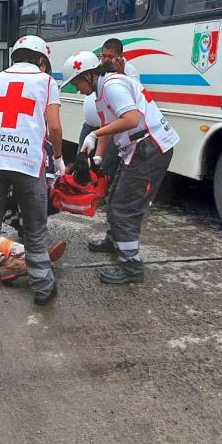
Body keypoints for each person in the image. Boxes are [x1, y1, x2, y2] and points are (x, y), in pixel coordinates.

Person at [61, 50, 180, 285]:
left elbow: (131, 119)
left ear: (89, 75)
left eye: (76, 83)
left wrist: (94, 134)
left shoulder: (113, 86)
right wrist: (98, 159)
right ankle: (113, 241)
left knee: (125, 207)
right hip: (136, 150)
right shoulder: (102, 91)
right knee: (115, 196)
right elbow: (110, 125)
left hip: (149, 149)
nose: (77, 89)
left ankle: (130, 265)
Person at [0, 35, 66, 306]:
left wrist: (2, 137)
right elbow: (55, 127)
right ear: (39, 60)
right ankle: (43, 289)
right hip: (28, 166)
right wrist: (57, 158)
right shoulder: (46, 81)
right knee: (35, 228)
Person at [79, 38, 141, 171]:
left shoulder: (124, 74)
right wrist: (98, 156)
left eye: (111, 57)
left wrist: (121, 73)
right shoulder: (99, 73)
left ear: (120, 56)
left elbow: (133, 99)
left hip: (114, 130)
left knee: (106, 170)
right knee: (83, 163)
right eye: (104, 56)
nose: (106, 60)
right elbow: (106, 116)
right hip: (94, 126)